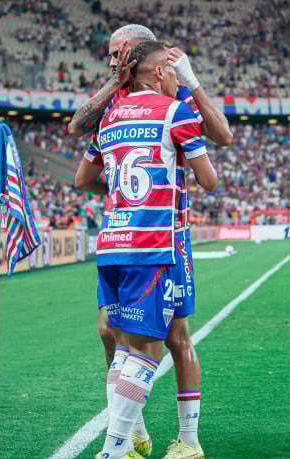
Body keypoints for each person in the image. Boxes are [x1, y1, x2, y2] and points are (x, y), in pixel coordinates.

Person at [73, 24, 231, 459]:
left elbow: (223, 136)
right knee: (113, 334)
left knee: (173, 337)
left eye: (118, 52)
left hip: (168, 237)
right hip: (138, 235)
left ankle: (184, 439)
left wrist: (192, 87)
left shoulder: (172, 97)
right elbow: (80, 145)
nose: (111, 59)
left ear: (139, 53)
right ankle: (131, 434)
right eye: (108, 53)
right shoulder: (113, 104)